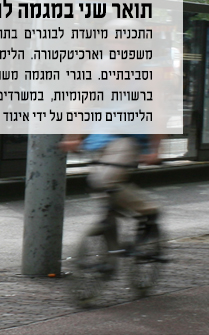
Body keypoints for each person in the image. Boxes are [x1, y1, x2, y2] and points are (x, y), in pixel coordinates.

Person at [60, 19, 165, 254]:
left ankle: (149, 210)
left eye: (128, 36)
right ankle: (111, 252)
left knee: (104, 182)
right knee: (104, 194)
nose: (122, 40)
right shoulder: (95, 66)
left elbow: (156, 110)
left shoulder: (149, 71)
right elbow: (80, 102)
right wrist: (73, 136)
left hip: (129, 138)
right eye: (116, 35)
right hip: (99, 137)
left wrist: (155, 148)